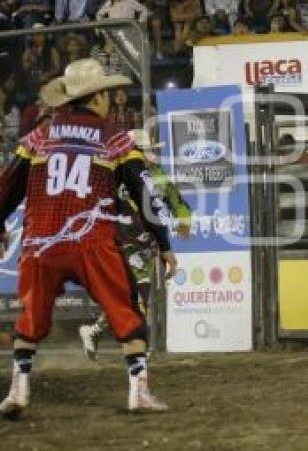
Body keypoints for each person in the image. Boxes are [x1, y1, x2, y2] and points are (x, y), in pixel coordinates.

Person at [0, 59, 177, 417]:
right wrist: (164, 243)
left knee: (31, 318)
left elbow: (7, 185)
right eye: (108, 94)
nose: (111, 100)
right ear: (97, 97)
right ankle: (138, 392)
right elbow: (145, 192)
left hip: (40, 242)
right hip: (91, 242)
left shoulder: (38, 137)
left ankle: (18, 389)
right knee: (126, 312)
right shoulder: (114, 139)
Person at [79, 129, 192, 361]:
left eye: (151, 150)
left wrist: (183, 220)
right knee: (140, 289)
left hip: (146, 243)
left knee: (132, 293)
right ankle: (139, 342)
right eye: (146, 149)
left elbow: (176, 200)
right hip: (123, 241)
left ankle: (95, 330)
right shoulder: (115, 176)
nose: (151, 154)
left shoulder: (157, 175)